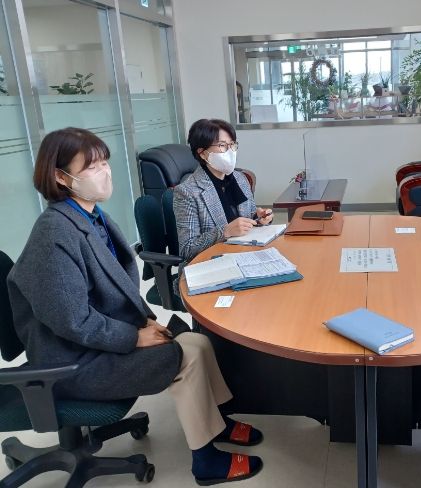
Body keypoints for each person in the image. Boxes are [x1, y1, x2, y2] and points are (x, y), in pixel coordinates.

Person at [7, 128, 263, 485]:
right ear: (61, 177)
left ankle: (219, 422)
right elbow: (72, 320)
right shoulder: (53, 235)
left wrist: (145, 321)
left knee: (198, 342)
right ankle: (205, 461)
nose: (105, 172)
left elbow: (117, 289)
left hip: (97, 342)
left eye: (105, 162)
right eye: (92, 167)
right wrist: (133, 337)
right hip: (72, 362)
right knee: (185, 357)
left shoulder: (91, 216)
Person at [174, 118, 273, 264]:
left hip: (246, 255)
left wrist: (259, 219)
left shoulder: (240, 178)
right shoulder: (187, 192)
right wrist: (225, 232)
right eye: (222, 145)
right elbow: (187, 249)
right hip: (212, 264)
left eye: (232, 145)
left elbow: (249, 219)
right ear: (202, 153)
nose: (230, 151)